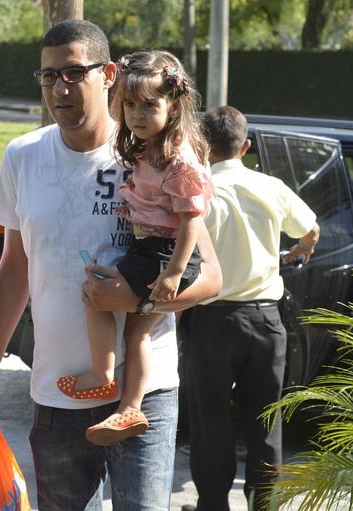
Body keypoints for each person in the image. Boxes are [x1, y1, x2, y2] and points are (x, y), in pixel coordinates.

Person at [0, 19, 222, 510]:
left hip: (143, 398)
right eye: (48, 76)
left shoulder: (153, 153)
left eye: (75, 73)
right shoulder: (22, 156)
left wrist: (137, 298)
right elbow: (13, 270)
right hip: (58, 393)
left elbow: (210, 278)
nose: (60, 88)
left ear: (110, 75)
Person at [56, 49, 212, 447]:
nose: (137, 114)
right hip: (153, 250)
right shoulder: (150, 148)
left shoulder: (179, 160)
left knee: (96, 293)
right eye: (129, 104)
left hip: (164, 253)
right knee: (138, 335)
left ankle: (102, 374)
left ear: (173, 107)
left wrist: (174, 273)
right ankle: (130, 406)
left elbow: (191, 221)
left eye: (149, 105)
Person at [184, 106, 320, 511]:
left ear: (202, 146)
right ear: (244, 146)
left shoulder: (196, 188)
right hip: (265, 320)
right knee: (265, 422)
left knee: (210, 422)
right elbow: (311, 229)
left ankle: (212, 505)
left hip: (210, 319)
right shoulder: (270, 186)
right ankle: (265, 505)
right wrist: (300, 249)